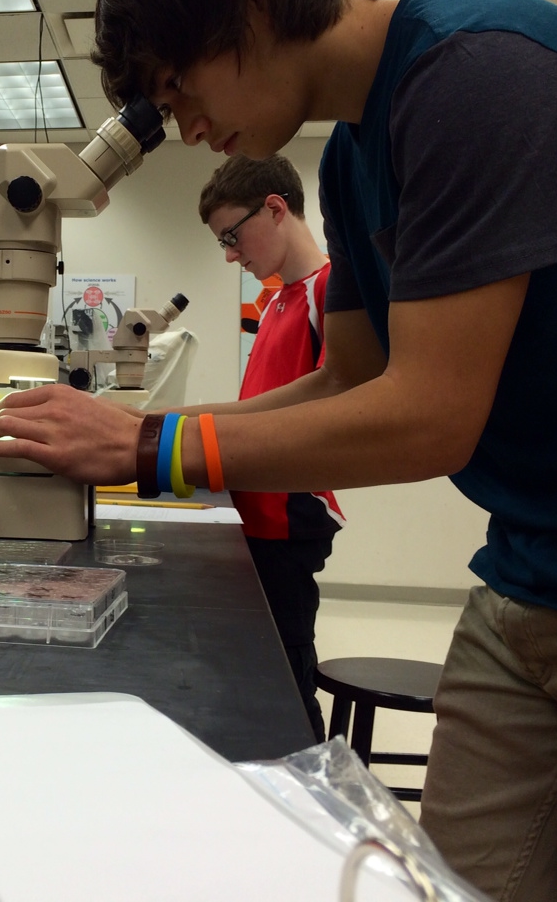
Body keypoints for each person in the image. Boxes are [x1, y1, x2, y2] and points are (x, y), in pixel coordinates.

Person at [0, 0, 557, 900]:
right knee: (450, 886)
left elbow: (429, 417)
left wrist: (145, 447)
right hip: (531, 571)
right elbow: (349, 381)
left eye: (180, 89)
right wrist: (125, 425)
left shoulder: (485, 67)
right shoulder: (349, 156)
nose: (185, 126)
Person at [197, 154, 343, 742]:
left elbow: (327, 409)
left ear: (276, 208)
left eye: (232, 236)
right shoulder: (276, 300)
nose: (231, 254)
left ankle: (315, 801)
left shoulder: (329, 289)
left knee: (283, 678)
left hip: (288, 514)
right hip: (253, 509)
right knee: (251, 670)